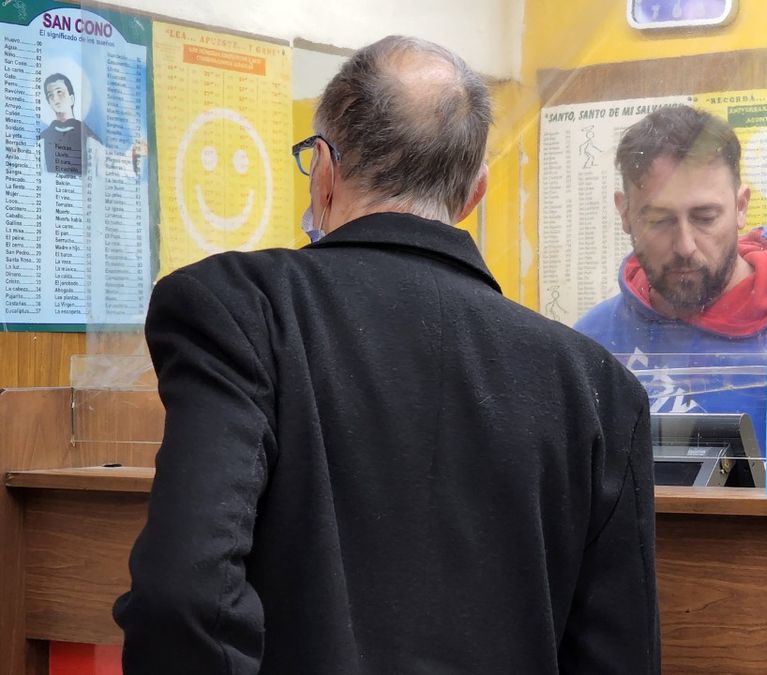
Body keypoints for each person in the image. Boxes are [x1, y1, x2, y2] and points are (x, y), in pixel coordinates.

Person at [113, 35, 659, 675]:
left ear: (322, 169)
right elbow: (618, 656)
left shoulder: (238, 309)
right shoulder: (599, 389)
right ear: (474, 194)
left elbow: (184, 596)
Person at [574, 105, 767, 451]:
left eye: (705, 217)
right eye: (659, 220)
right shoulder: (592, 344)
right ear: (625, 213)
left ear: (741, 207)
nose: (685, 245)